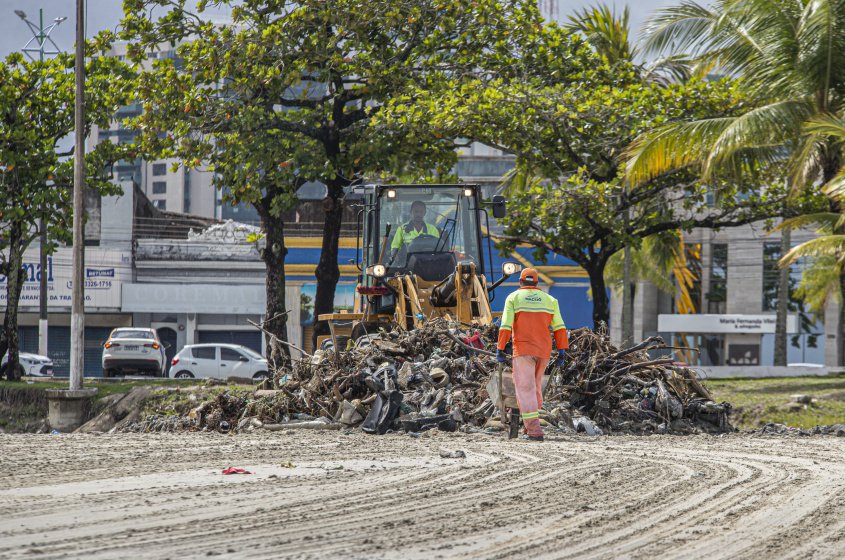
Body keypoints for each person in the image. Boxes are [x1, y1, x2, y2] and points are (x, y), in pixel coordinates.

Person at [495, 268, 568, 442]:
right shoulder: (550, 300)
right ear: (536, 283)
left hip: (523, 350)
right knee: (535, 386)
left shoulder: (513, 298)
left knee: (524, 389)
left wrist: (500, 348)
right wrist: (562, 350)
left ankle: (534, 431)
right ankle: (529, 427)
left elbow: (505, 325)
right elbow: (559, 327)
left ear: (520, 282)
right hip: (544, 351)